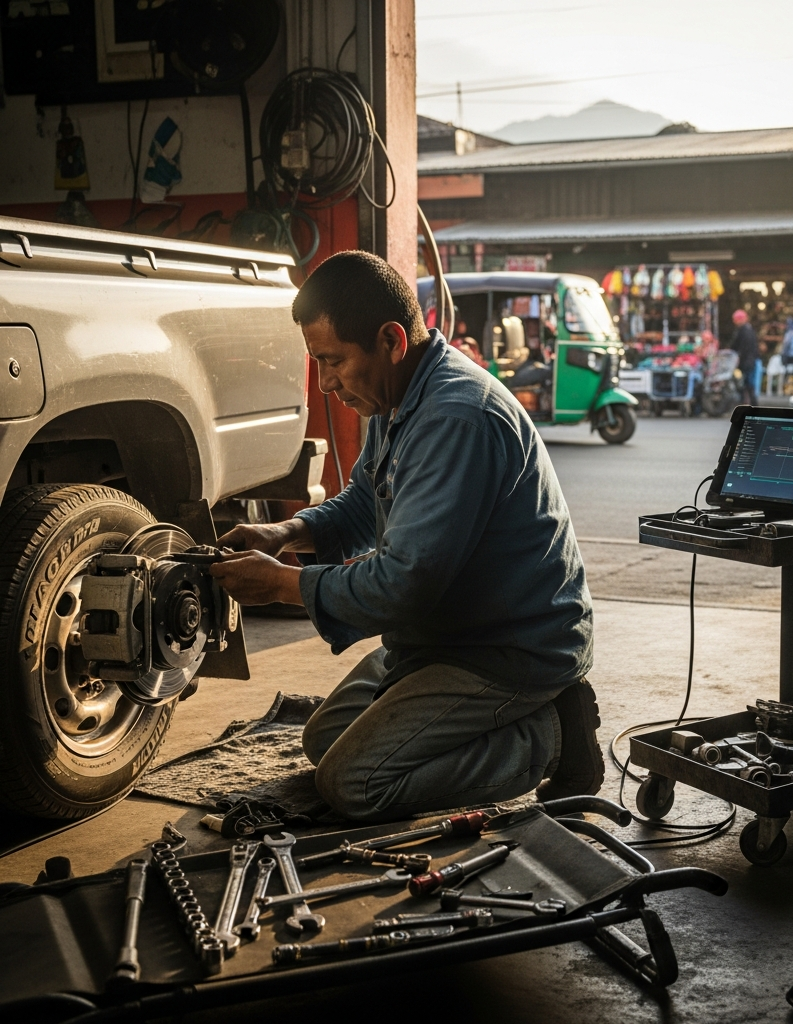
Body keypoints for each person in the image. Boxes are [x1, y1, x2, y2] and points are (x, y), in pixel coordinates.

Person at [209, 252, 600, 823]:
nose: (326, 383)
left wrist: (282, 586)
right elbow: (366, 501)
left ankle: (553, 734)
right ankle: (502, 720)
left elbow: (401, 583)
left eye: (334, 361)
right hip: (440, 638)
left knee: (354, 784)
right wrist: (285, 532)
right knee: (323, 743)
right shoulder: (397, 398)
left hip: (508, 649)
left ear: (391, 340)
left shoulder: (456, 417)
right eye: (317, 362)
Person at [728, 308, 759, 405]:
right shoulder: (749, 329)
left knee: (745, 384)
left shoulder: (742, 331)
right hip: (750, 360)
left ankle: (747, 403)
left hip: (746, 361)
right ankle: (752, 404)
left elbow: (735, 346)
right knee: (748, 384)